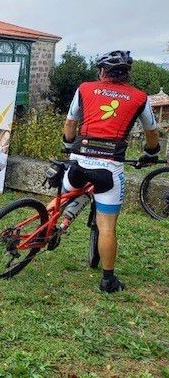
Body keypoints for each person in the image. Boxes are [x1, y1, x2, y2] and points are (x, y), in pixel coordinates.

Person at [63, 50, 159, 293]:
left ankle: (53, 225)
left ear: (102, 72)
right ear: (127, 74)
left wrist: (67, 143)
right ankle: (108, 281)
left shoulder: (84, 88)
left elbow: (71, 123)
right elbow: (151, 132)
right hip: (109, 170)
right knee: (106, 226)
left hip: (79, 161)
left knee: (63, 195)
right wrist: (151, 152)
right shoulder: (139, 97)